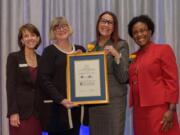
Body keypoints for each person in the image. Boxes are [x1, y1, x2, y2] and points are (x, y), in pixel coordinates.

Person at [128, 15, 180, 135]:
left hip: (159, 109)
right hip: (138, 110)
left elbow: (172, 81)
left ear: (150, 31)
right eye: (135, 32)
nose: (139, 34)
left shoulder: (163, 50)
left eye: (142, 30)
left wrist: (171, 110)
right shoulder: (133, 56)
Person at [38, 16, 86, 135]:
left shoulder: (80, 50)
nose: (61, 29)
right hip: (57, 109)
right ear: (53, 32)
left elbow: (87, 74)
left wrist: (83, 58)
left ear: (69, 28)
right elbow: (44, 79)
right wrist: (61, 100)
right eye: (57, 27)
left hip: (77, 108)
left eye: (64, 26)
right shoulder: (49, 51)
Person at [88, 11, 129, 135]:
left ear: (114, 27)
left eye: (110, 22)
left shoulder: (121, 44)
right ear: (98, 24)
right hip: (95, 102)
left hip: (114, 102)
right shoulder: (92, 46)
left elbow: (123, 77)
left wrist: (116, 55)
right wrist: (79, 58)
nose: (106, 25)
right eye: (103, 21)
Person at [6, 23, 42, 135]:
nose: (30, 38)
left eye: (33, 35)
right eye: (26, 36)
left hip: (37, 114)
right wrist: (13, 112)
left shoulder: (42, 60)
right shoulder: (14, 57)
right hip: (20, 115)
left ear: (38, 38)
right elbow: (10, 86)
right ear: (22, 40)